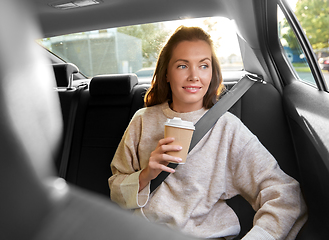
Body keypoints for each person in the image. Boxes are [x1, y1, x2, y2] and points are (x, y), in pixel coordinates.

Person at [108, 26, 307, 240]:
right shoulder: (142, 120)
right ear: (166, 73)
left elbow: (285, 195)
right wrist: (146, 175)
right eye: (182, 65)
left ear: (212, 73)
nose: (194, 76)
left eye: (203, 65)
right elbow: (116, 191)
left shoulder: (227, 128)